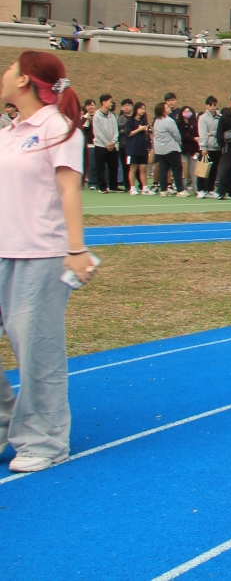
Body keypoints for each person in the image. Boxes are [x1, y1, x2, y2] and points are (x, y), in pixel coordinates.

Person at [0, 51, 91, 473]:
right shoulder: (10, 130)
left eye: (10, 67)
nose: (4, 72)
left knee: (36, 349)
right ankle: (5, 421)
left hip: (41, 253)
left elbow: (69, 189)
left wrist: (77, 250)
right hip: (3, 248)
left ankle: (45, 439)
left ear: (25, 79)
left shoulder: (59, 128)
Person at [151, 102, 183, 195]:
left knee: (163, 169)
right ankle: (180, 190)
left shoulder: (157, 121)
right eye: (167, 107)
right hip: (170, 148)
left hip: (160, 149)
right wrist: (179, 142)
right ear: (163, 111)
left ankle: (163, 190)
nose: (169, 108)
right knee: (177, 168)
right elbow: (176, 134)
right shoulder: (169, 120)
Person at [124, 102, 151, 194]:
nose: (142, 111)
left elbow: (147, 135)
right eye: (140, 108)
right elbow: (128, 134)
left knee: (143, 168)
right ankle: (132, 188)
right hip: (133, 148)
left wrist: (146, 130)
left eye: (144, 109)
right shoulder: (130, 121)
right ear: (136, 109)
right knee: (133, 168)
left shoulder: (144, 121)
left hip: (142, 148)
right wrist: (139, 129)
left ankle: (145, 188)